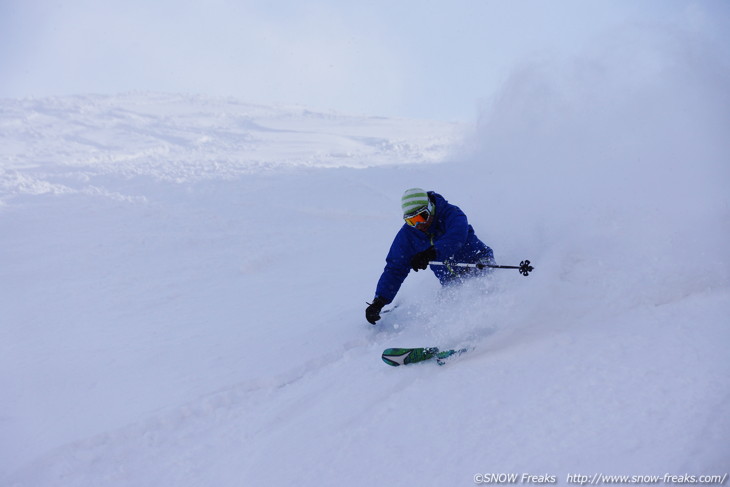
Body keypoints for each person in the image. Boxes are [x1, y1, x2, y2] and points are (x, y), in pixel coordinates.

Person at [366, 188, 494, 324]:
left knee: (483, 295)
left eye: (421, 217)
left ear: (430, 208)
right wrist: (379, 301)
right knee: (451, 312)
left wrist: (431, 253)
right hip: (451, 282)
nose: (418, 225)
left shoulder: (452, 214)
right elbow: (396, 267)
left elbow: (456, 238)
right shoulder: (409, 234)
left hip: (478, 263)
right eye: (411, 221)